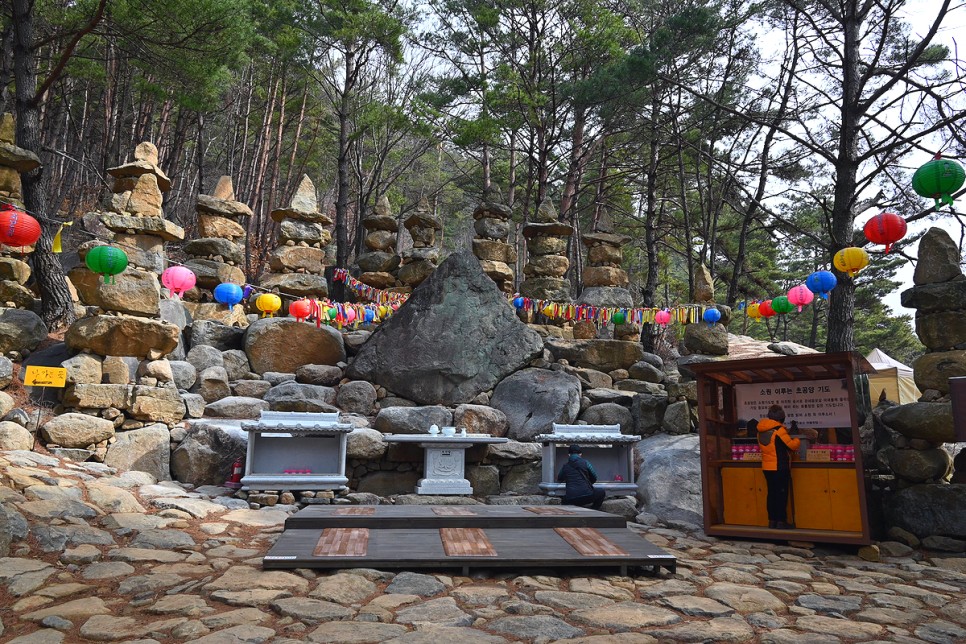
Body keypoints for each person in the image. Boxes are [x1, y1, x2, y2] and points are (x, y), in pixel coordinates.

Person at [757, 404, 817, 529]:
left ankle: (772, 521)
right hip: (779, 467)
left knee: (771, 494)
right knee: (781, 494)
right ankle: (781, 522)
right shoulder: (779, 431)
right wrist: (796, 439)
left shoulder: (761, 432)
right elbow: (792, 446)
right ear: (781, 418)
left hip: (767, 468)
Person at [557, 444, 605, 510]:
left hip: (571, 499)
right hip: (587, 496)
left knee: (564, 499)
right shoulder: (586, 463)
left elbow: (559, 478)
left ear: (569, 454)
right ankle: (594, 510)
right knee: (601, 492)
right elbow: (594, 477)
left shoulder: (565, 466)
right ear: (580, 454)